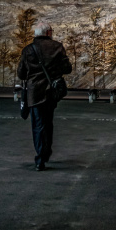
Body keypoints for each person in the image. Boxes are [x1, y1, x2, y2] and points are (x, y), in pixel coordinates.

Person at [16, 21, 72, 171]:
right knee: (48, 122)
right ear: (48, 33)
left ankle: (40, 157)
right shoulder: (57, 47)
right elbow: (67, 68)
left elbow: (21, 73)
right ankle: (46, 152)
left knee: (38, 125)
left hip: (35, 94)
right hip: (51, 92)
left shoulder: (28, 50)